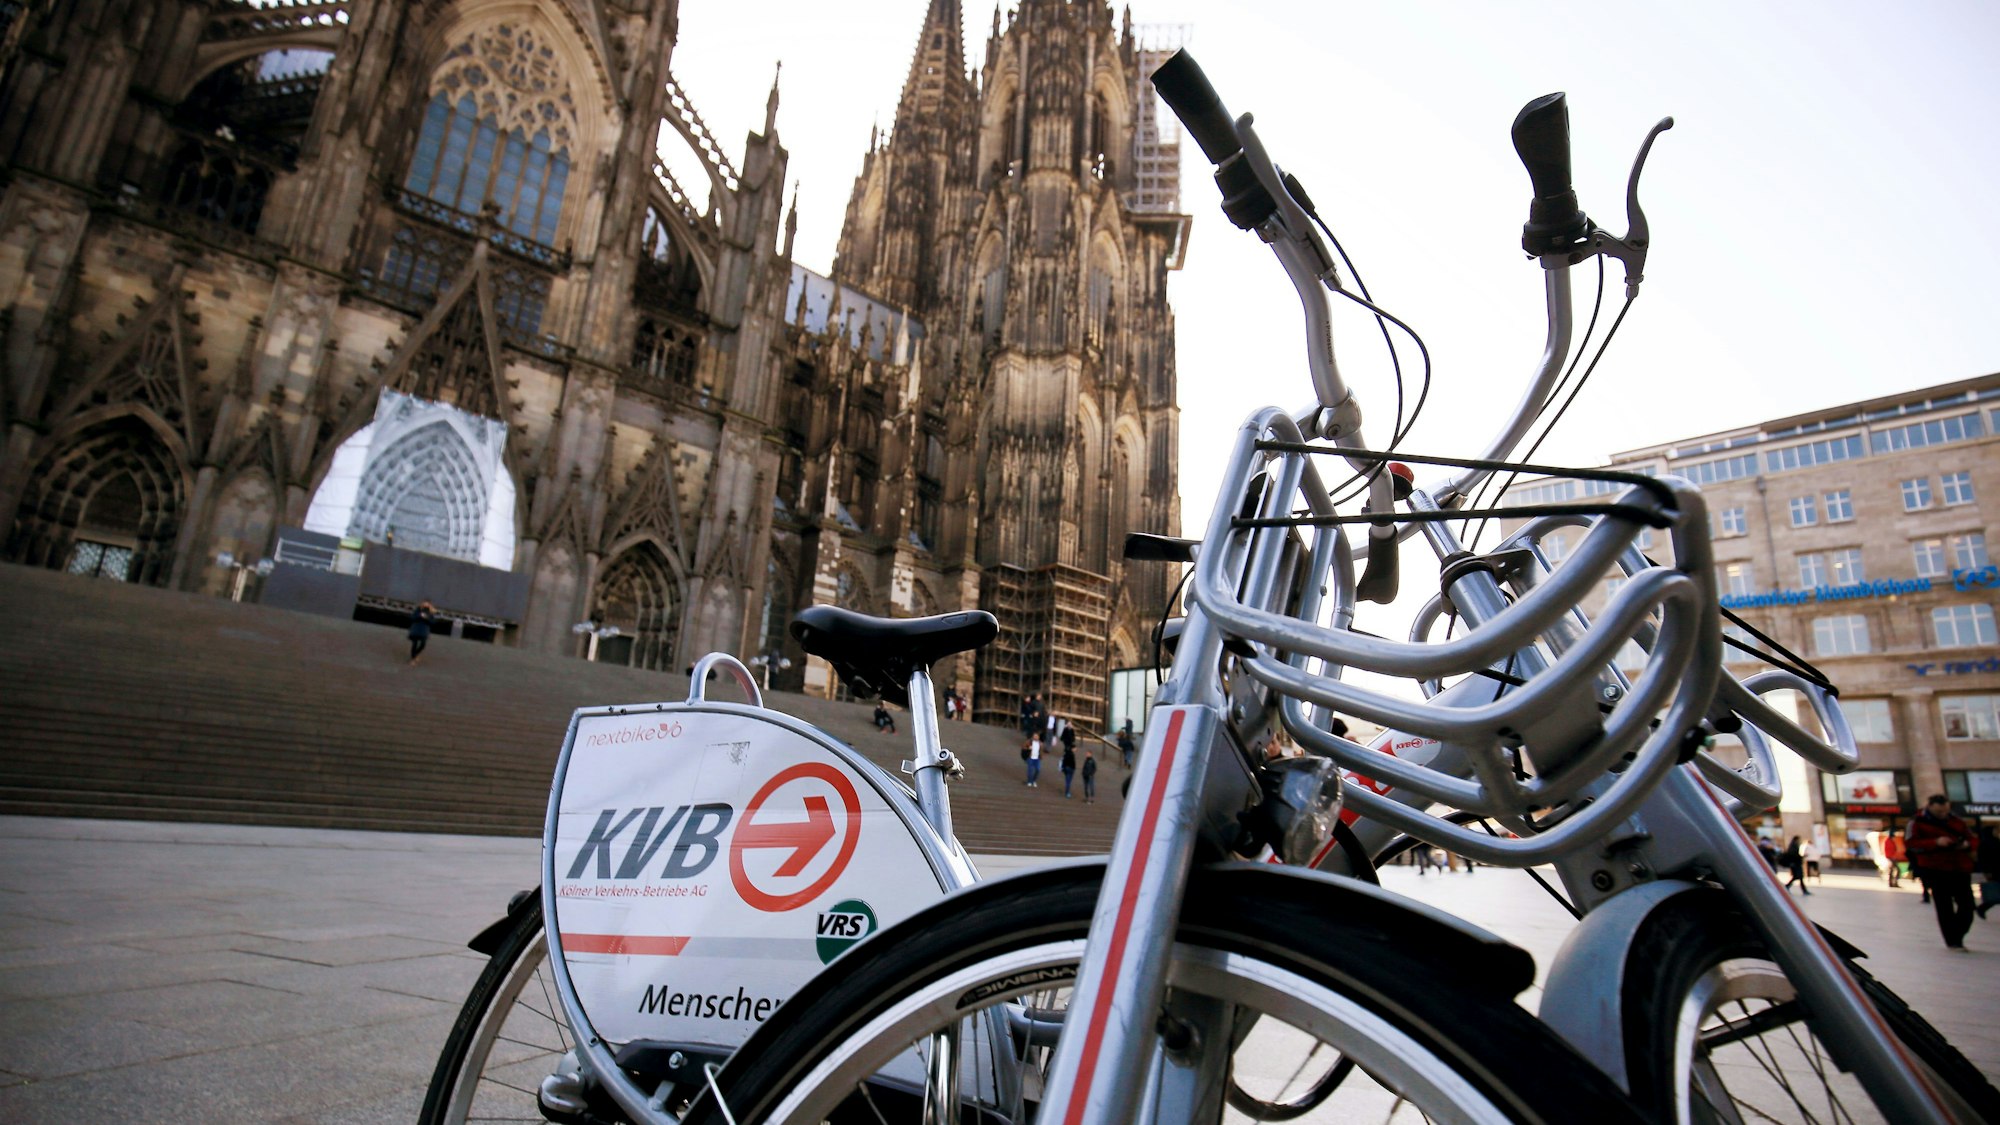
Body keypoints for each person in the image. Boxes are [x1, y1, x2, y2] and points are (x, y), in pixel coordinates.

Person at [1906, 795, 1977, 950]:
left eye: (1945, 811)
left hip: (1960, 867)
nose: (1942, 814)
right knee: (1944, 905)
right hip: (1935, 868)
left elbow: (1972, 838)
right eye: (1939, 811)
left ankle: (1958, 933)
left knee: (1968, 905)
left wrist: (1966, 844)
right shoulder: (1917, 821)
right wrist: (1935, 842)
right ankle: (1953, 940)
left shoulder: (1956, 820)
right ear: (1930, 806)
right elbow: (1910, 844)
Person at [1976, 825, 1998, 920]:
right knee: (1995, 894)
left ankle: (1982, 908)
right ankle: (1982, 908)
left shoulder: (1996, 842)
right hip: (1992, 871)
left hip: (1997, 870)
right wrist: (1986, 871)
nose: (1997, 832)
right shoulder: (1984, 843)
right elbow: (1982, 859)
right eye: (1995, 830)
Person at [407, 600, 436, 665]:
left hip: (424, 630)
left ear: (429, 605)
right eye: (424, 603)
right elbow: (412, 618)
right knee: (415, 644)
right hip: (416, 629)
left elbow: (433, 622)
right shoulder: (418, 610)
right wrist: (419, 616)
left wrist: (426, 618)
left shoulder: (430, 613)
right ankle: (413, 659)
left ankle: (416, 654)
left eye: (427, 603)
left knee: (423, 644)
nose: (425, 604)